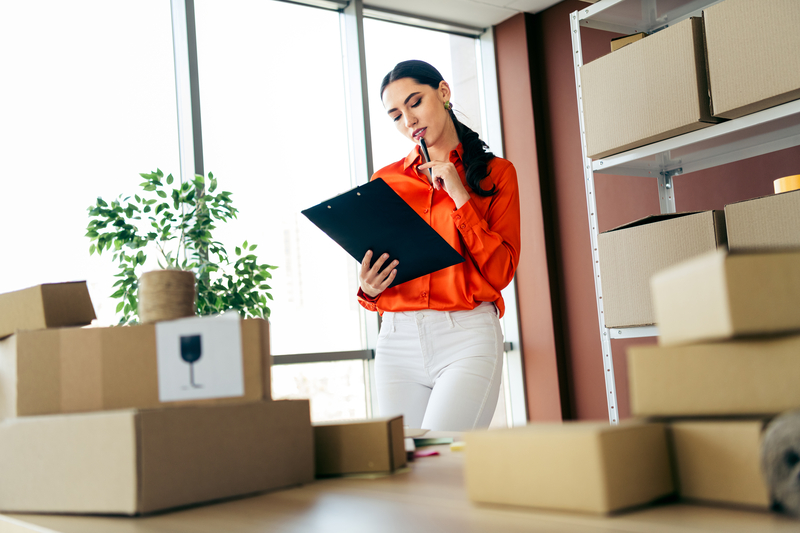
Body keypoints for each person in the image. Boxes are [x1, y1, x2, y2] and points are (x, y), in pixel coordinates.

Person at [357, 59, 521, 431]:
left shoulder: (498, 174)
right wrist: (368, 287)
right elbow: (383, 264)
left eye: (415, 102)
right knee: (405, 465)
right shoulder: (385, 181)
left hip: (466, 335)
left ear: (443, 93)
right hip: (396, 339)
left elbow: (500, 271)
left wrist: (461, 196)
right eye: (396, 115)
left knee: (445, 462)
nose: (408, 120)